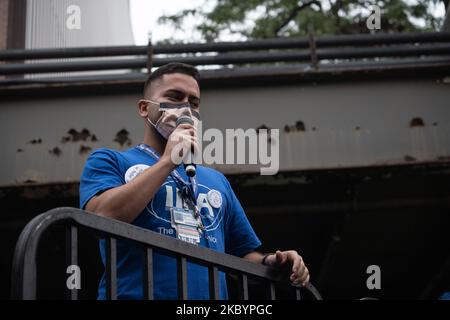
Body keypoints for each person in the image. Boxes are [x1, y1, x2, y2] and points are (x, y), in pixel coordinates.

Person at [79, 62, 310, 299]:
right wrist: (168, 161)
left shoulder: (216, 181)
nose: (186, 109)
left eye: (194, 102)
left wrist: (273, 260)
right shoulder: (110, 160)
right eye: (175, 97)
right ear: (144, 108)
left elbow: (240, 255)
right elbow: (100, 217)